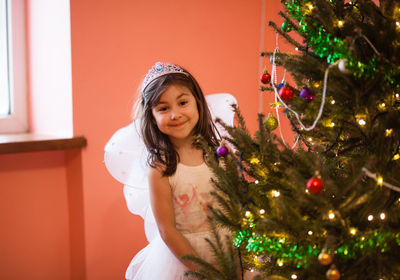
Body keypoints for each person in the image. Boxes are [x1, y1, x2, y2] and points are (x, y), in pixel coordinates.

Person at [106, 62, 236, 280]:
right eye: (163, 108)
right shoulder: (160, 167)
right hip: (185, 259)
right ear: (152, 117)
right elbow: (167, 230)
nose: (175, 114)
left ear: (198, 103)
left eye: (183, 102)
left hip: (229, 247)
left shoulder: (220, 151)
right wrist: (201, 270)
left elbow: (237, 202)